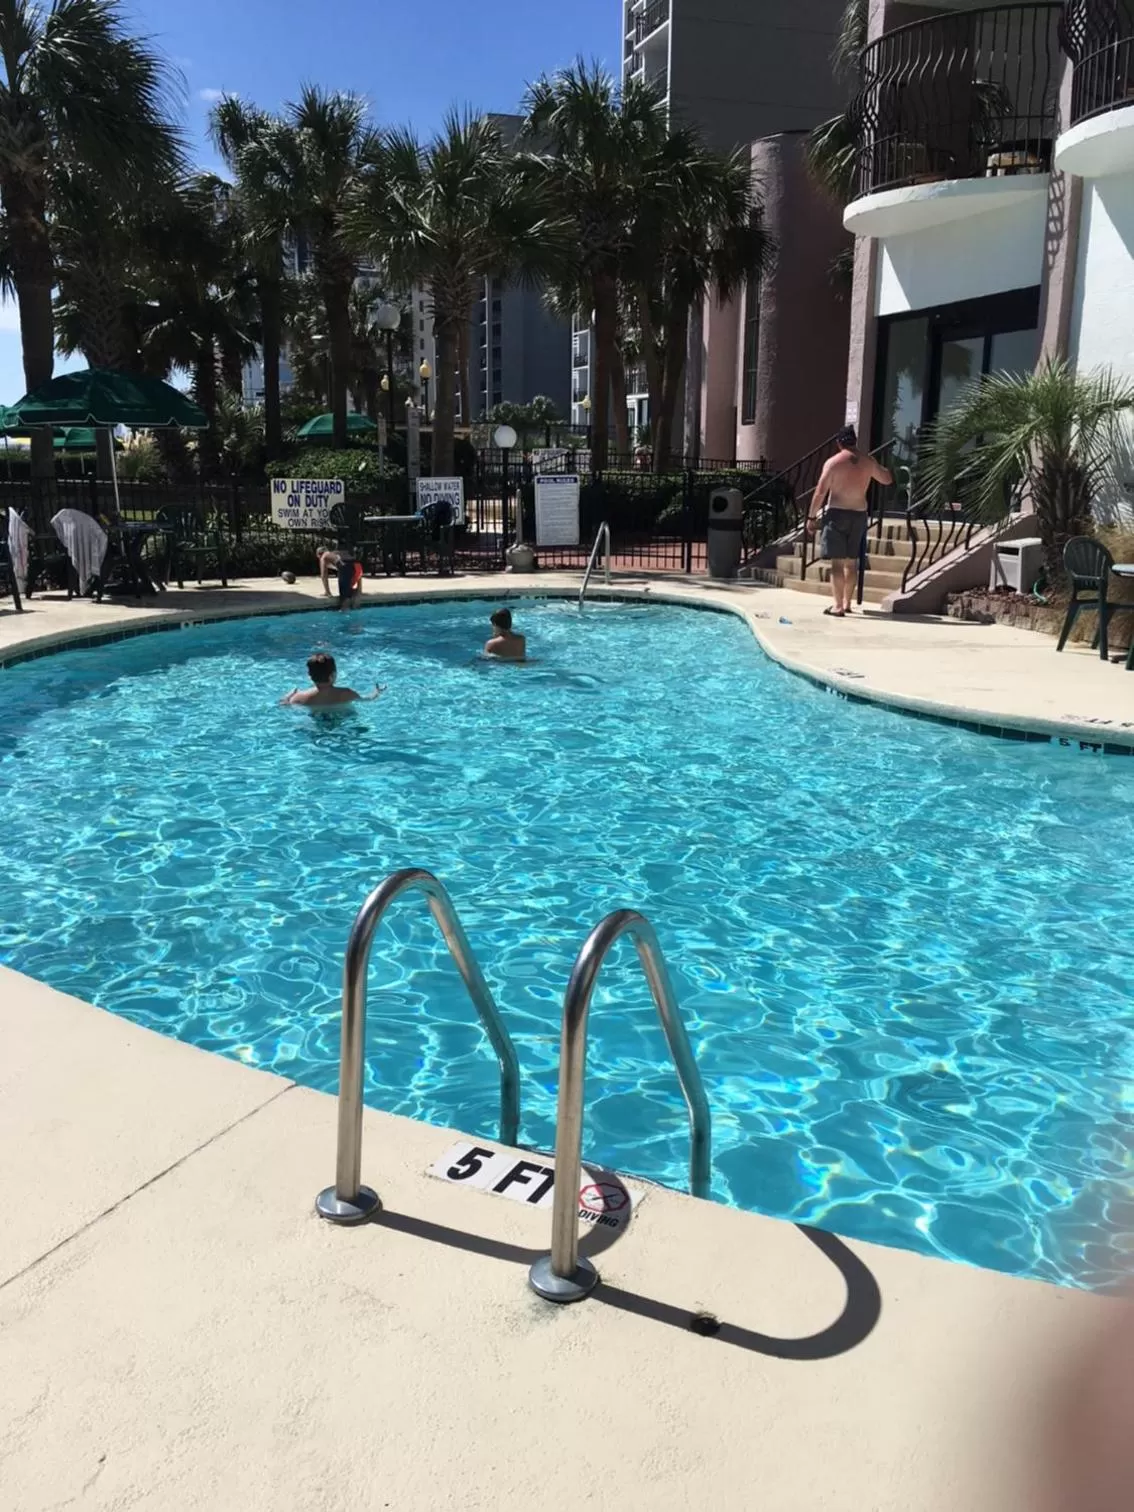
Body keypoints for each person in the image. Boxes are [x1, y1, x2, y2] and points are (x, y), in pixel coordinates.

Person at [805, 426, 892, 618]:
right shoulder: (868, 462)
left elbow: (820, 492)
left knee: (837, 563)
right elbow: (886, 479)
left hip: (836, 515)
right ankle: (847, 603)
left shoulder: (833, 463)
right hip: (859, 514)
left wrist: (811, 518)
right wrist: (874, 463)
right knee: (851, 563)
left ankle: (837, 606)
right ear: (854, 441)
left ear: (839, 443)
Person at [280, 652, 384, 708]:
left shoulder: (299, 697)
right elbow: (367, 699)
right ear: (333, 675)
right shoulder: (346, 693)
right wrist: (377, 692)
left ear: (310, 675)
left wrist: (287, 697)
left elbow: (284, 706)